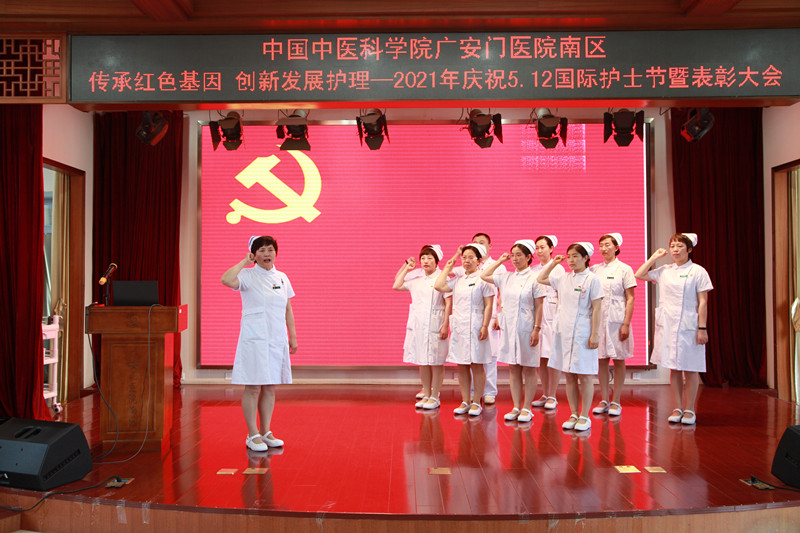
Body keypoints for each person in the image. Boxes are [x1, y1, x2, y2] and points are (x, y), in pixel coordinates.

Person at [221, 235, 297, 452]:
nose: (266, 254)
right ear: (254, 254)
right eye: (261, 250)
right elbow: (226, 280)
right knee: (253, 386)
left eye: (270, 249)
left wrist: (292, 335)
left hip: (276, 338)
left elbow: (287, 308)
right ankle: (252, 434)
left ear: (276, 253)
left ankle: (266, 431)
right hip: (254, 340)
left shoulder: (282, 277)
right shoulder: (247, 275)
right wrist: (244, 262)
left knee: (270, 386)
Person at [635, 233, 712, 425]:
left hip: (689, 325)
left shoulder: (698, 271)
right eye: (673, 246)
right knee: (674, 368)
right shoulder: (665, 270)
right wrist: (654, 257)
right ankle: (678, 408)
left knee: (690, 368)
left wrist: (702, 328)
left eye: (680, 246)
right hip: (668, 324)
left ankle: (690, 409)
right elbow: (639, 274)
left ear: (690, 249)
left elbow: (703, 302)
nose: (675, 250)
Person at [537, 242, 603, 432]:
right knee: (570, 374)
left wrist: (595, 334)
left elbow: (597, 309)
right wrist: (553, 263)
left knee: (585, 375)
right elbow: (541, 278)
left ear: (586, 258)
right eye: (569, 256)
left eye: (576, 256)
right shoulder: (563, 278)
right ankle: (574, 413)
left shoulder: (592, 279)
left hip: (583, 331)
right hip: (564, 332)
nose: (571, 260)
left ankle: (584, 416)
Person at [481, 240, 545, 423]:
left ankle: (527, 408)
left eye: (519, 255)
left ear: (529, 257)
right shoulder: (506, 277)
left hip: (528, 327)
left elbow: (539, 306)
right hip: (510, 328)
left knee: (529, 368)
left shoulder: (535, 278)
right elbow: (484, 275)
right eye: (513, 255)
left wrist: (536, 329)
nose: (515, 259)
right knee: (514, 368)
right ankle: (516, 406)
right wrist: (500, 261)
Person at [435, 243, 494, 416]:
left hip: (476, 326)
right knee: (461, 365)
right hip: (460, 326)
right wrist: (450, 263)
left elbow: (489, 305)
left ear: (479, 261)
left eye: (471, 258)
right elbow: (439, 285)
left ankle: (476, 402)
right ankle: (465, 400)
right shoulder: (458, 280)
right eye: (464, 257)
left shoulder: (484, 280)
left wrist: (485, 325)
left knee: (477, 364)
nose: (466, 261)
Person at [393, 245, 452, 409]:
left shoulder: (443, 278)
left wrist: (445, 325)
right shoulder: (417, 280)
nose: (426, 261)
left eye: (430, 258)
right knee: (423, 361)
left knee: (436, 361)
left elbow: (449, 303)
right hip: (419, 324)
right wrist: (407, 267)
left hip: (436, 323)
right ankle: (426, 393)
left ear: (437, 261)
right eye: (423, 258)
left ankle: (435, 396)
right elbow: (396, 285)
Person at [453, 233, 505, 405]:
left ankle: (489, 391)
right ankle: (473, 392)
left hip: (490, 316)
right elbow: (446, 274)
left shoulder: (498, 267)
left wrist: (499, 315)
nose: (478, 245)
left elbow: (502, 293)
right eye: (475, 242)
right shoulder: (466, 266)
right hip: (469, 318)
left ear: (490, 245)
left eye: (482, 242)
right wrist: (457, 255)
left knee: (489, 355)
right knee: (471, 356)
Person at [590, 233, 636, 417]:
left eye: (607, 245)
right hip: (599, 319)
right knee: (601, 359)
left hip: (617, 319)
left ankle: (616, 400)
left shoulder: (625, 269)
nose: (603, 248)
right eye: (601, 245)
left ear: (616, 248)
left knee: (618, 359)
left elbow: (630, 298)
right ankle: (604, 399)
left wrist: (626, 323)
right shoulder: (594, 269)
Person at [529, 235, 563, 411]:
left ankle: (553, 395)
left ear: (551, 249)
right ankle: (545, 392)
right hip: (537, 313)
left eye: (543, 247)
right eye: (537, 248)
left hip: (552, 312)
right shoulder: (533, 269)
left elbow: (562, 293)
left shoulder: (558, 269)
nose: (539, 250)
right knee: (541, 356)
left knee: (552, 355)